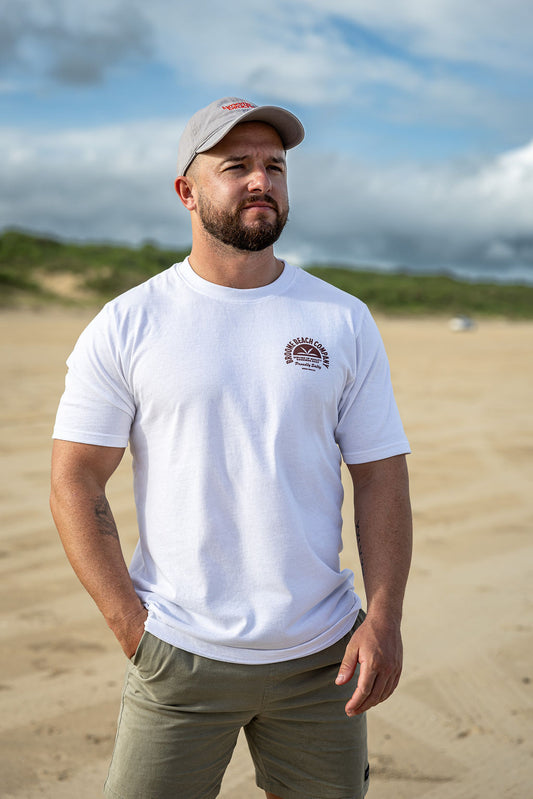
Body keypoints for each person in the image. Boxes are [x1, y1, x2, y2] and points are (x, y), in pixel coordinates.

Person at [50, 96, 412, 799]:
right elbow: (75, 479)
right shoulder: (128, 323)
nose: (260, 180)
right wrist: (131, 625)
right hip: (179, 653)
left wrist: (385, 617)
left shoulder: (341, 318)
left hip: (322, 658)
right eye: (236, 165)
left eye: (274, 166)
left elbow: (381, 476)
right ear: (186, 192)